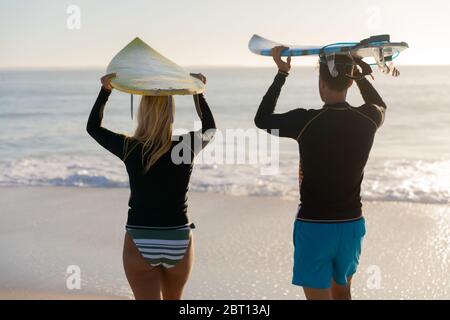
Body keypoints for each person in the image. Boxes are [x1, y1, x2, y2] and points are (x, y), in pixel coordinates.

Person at [254, 46, 386, 300]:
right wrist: (358, 74)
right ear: (349, 82)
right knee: (343, 293)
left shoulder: (304, 121)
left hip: (315, 225)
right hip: (351, 224)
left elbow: (262, 119)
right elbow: (378, 105)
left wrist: (282, 74)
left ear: (321, 83)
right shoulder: (368, 119)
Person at [87, 72, 216, 300]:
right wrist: (198, 92)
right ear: (171, 115)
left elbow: (93, 128)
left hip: (140, 237)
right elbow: (209, 129)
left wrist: (106, 91)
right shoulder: (184, 147)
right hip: (177, 237)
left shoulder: (130, 147)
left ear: (141, 114)